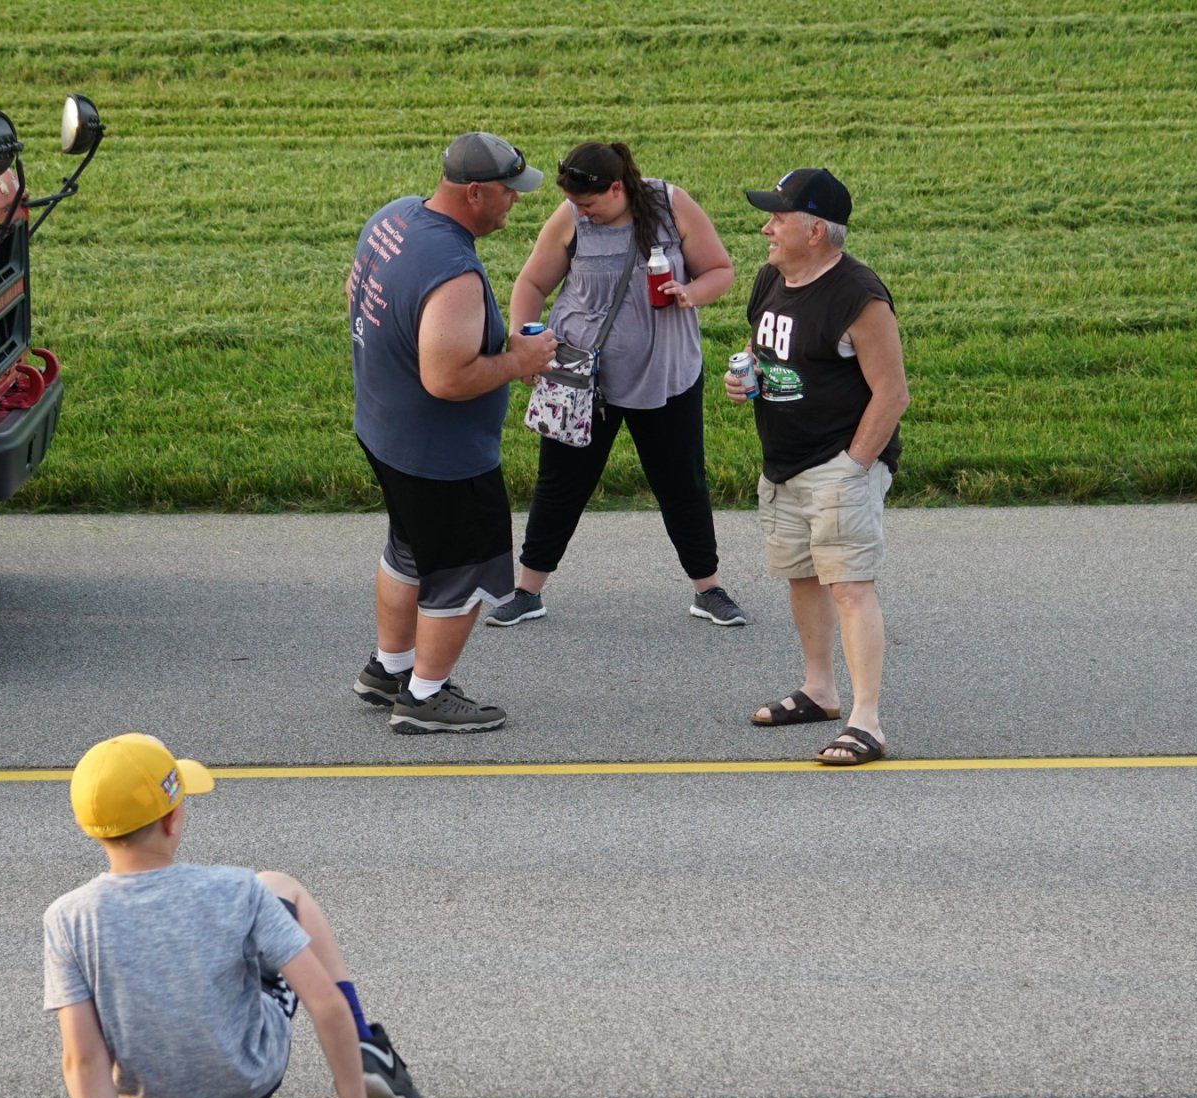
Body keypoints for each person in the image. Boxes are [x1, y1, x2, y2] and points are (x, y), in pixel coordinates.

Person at [44, 733, 425, 1098]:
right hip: (249, 1080)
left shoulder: (67, 917)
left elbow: (80, 1058)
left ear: (91, 828)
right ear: (173, 820)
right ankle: (369, 1046)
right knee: (283, 888)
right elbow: (323, 1002)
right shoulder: (237, 890)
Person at [346, 131, 558, 733]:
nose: (516, 202)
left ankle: (389, 669)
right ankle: (425, 697)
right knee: (465, 568)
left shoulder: (391, 219)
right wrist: (520, 360)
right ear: (474, 192)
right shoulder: (455, 271)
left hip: (383, 427)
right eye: (509, 193)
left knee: (409, 550)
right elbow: (445, 378)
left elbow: (355, 295)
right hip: (440, 455)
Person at [488, 141, 744, 629]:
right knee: (560, 485)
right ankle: (527, 591)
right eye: (575, 204)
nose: (580, 212)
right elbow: (531, 286)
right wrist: (523, 341)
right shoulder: (570, 218)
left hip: (666, 377)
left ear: (616, 188)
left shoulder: (673, 205)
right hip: (581, 381)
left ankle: (708, 590)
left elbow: (721, 271)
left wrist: (691, 292)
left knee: (682, 484)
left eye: (588, 204)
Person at [723, 168, 910, 765]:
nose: (765, 228)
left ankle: (867, 722)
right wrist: (743, 376)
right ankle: (819, 690)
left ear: (818, 231)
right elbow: (762, 349)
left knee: (849, 586)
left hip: (837, 463)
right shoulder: (770, 279)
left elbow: (892, 393)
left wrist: (855, 467)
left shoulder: (859, 297)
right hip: (783, 463)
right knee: (803, 577)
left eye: (779, 218)